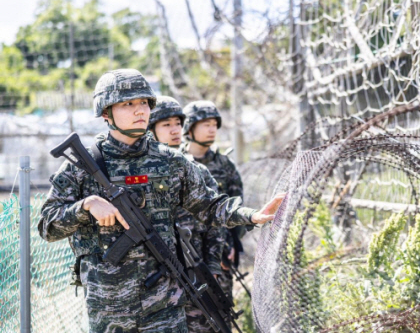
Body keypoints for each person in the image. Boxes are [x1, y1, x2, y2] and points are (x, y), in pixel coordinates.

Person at [38, 69, 283, 333]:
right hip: (108, 307)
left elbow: (210, 205)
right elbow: (46, 226)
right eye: (127, 104)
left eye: (143, 102)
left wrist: (251, 215)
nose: (139, 110)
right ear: (106, 113)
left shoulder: (171, 161)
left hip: (164, 303)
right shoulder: (81, 166)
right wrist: (86, 207)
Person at [149, 96, 225, 333]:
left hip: (195, 266)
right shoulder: (139, 170)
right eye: (166, 125)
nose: (174, 131)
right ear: (151, 129)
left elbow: (215, 219)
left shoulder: (195, 169)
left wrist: (212, 263)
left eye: (177, 124)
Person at [181, 100, 246, 320]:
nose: (211, 129)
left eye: (214, 125)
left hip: (219, 251)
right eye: (205, 124)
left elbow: (237, 209)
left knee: (219, 311)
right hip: (184, 250)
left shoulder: (225, 166)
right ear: (189, 128)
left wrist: (232, 245)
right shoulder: (176, 162)